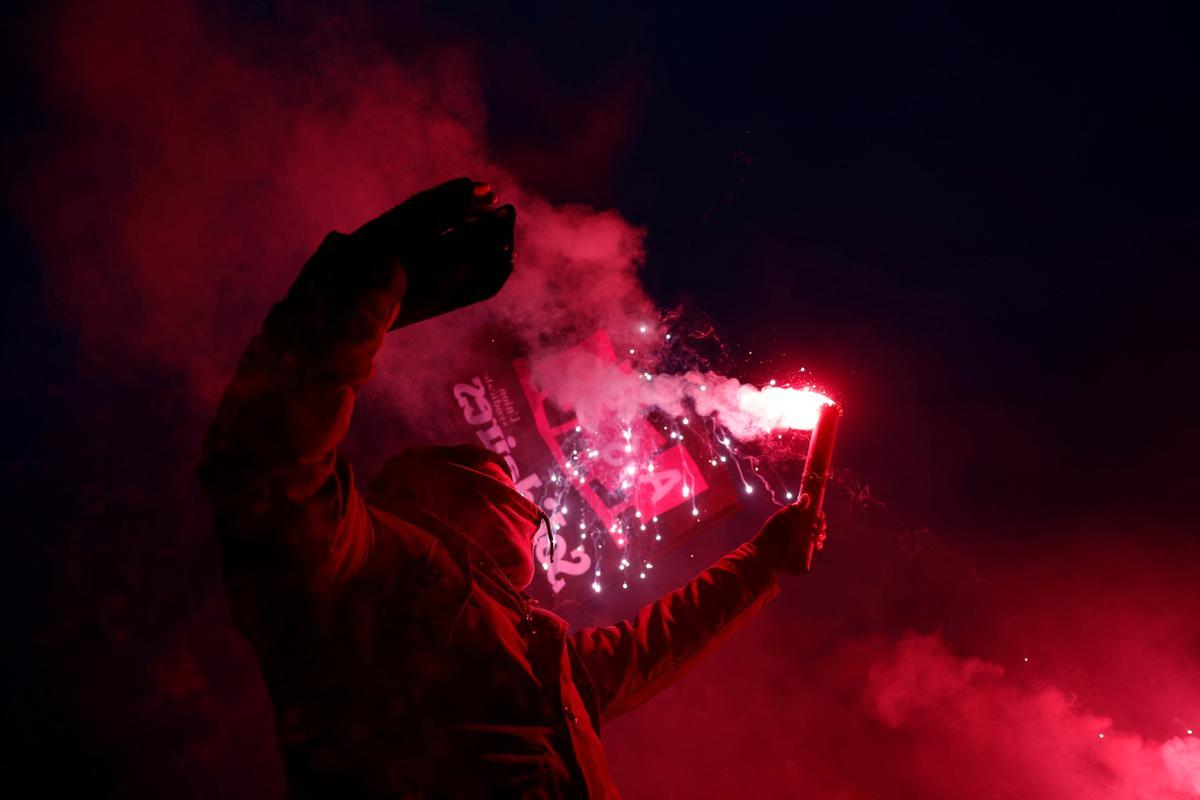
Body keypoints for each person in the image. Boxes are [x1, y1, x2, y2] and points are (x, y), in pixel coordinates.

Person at [198, 178, 827, 799]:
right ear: (463, 494)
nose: (540, 512)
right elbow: (269, 462)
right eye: (521, 501)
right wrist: (366, 278)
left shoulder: (538, 647)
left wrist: (765, 560)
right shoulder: (371, 564)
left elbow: (657, 641)